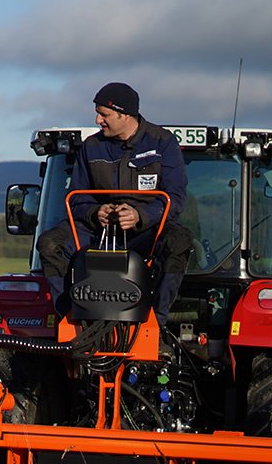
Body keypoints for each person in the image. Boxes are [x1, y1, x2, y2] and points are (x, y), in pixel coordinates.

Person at [37, 82, 192, 324]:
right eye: (98, 114)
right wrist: (95, 212)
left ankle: (155, 322)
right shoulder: (92, 147)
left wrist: (140, 215)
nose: (98, 120)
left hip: (146, 233)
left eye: (104, 114)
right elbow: (77, 197)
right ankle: (69, 320)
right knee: (49, 244)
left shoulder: (162, 142)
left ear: (124, 114)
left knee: (178, 241)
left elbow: (176, 198)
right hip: (98, 232)